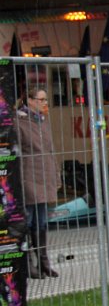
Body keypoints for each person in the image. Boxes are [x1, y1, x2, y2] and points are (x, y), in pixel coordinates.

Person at [15, 86, 60, 279]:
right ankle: (26, 263)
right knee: (28, 220)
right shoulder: (19, 122)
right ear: (30, 101)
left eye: (46, 99)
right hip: (29, 177)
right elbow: (17, 152)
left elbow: (50, 150)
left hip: (44, 176)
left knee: (41, 222)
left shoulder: (43, 121)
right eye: (41, 100)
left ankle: (43, 261)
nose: (45, 103)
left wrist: (56, 174)